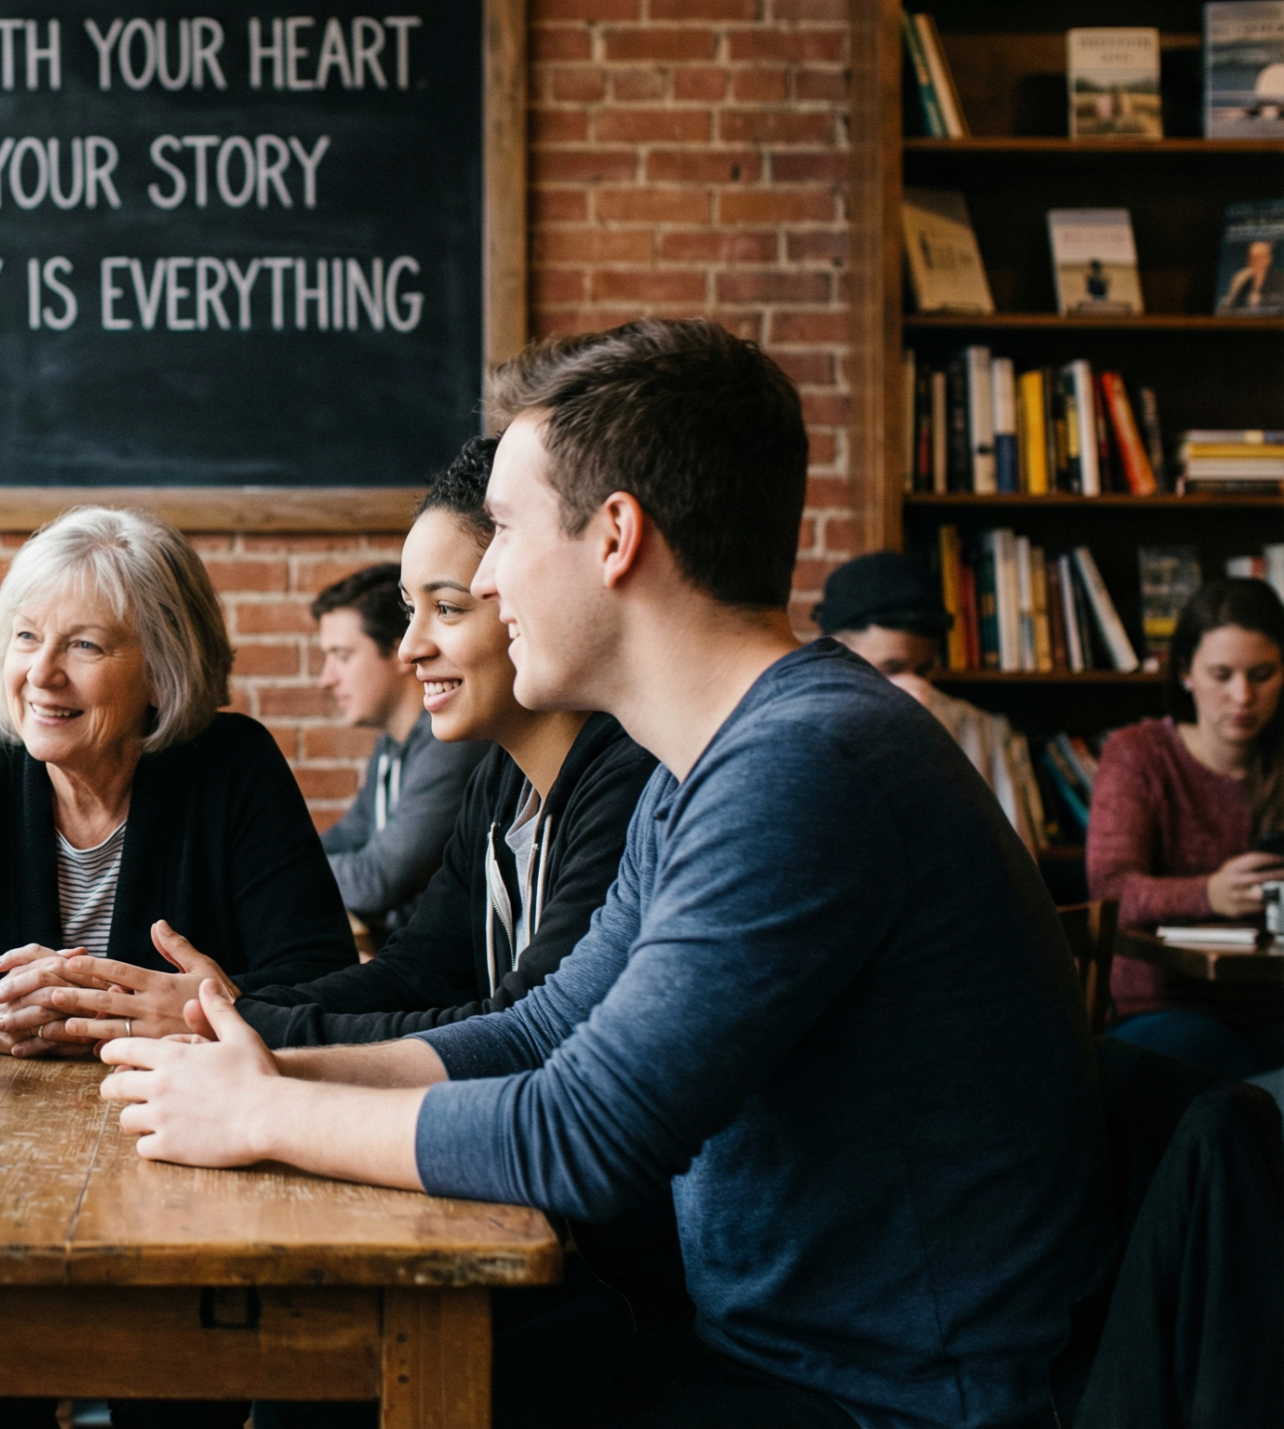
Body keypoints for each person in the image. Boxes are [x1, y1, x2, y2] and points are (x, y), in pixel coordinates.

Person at [101, 319, 1110, 1429]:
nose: (484, 576)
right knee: (326, 1376)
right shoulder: (706, 764)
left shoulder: (803, 766)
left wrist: (258, 1115)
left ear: (615, 536)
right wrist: (277, 1065)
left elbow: (582, 1136)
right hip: (756, 1359)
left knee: (345, 1389)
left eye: (500, 532)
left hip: (879, 1400)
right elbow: (541, 1035)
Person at [0, 505, 355, 1429]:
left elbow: (322, 992)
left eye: (85, 645)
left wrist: (176, 1009)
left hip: (188, 1172)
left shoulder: (233, 769)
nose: (42, 672)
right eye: (26, 637)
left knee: (180, 1398)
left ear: (164, 665)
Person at [0, 439, 657, 1052]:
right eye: (408, 611)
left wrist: (235, 1018)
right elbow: (412, 973)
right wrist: (216, 1008)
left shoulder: (625, 781)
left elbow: (526, 1033)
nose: (409, 649)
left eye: (449, 609)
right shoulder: (502, 781)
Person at [1088, 576, 1284, 1078]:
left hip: (1270, 1003)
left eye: (1262, 674)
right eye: (1221, 674)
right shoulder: (1139, 755)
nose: (1242, 696)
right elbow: (1110, 891)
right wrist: (1209, 894)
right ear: (1185, 673)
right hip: (1157, 1005)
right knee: (1215, 1059)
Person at [309, 562, 487, 942]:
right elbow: (348, 838)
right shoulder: (391, 744)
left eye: (342, 656)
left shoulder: (451, 745)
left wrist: (283, 871)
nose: (327, 678)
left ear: (397, 652)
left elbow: (377, 879)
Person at [815, 551, 1041, 849]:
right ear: (836, 656)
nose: (916, 692)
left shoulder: (981, 732)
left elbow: (1018, 866)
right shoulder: (804, 736)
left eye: (923, 670)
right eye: (889, 670)